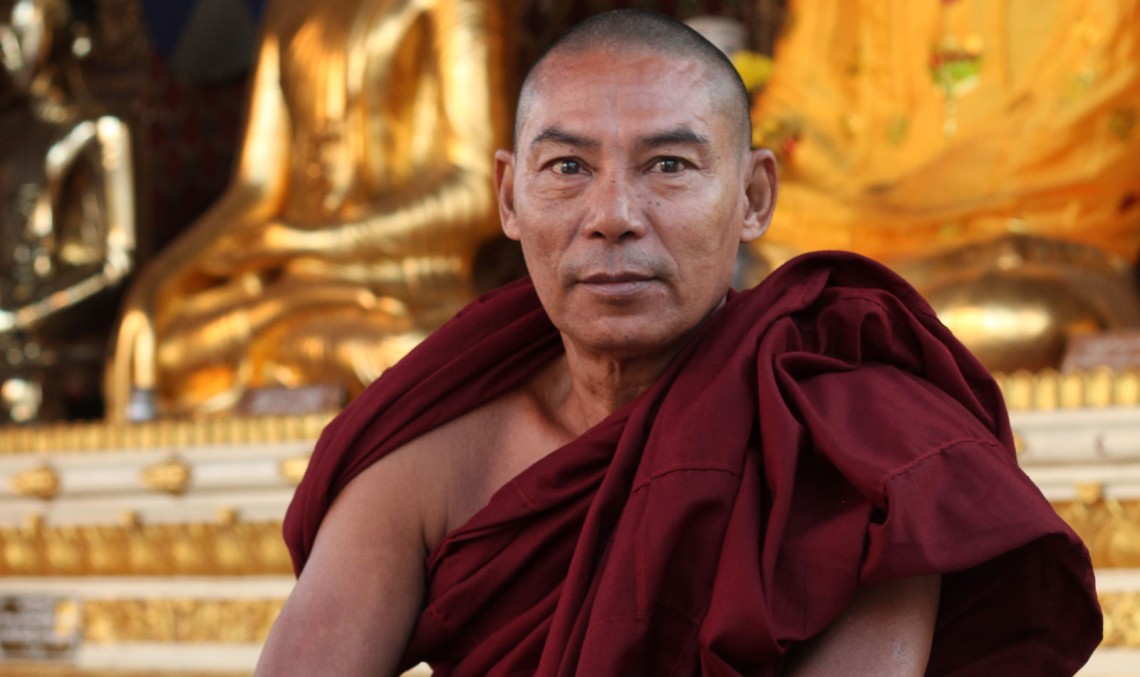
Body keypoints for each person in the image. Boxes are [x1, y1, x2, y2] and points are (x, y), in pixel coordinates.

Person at [261, 10, 1101, 676]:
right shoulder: (433, 460)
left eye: (669, 164)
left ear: (755, 196)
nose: (613, 214)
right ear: (509, 198)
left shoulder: (852, 444)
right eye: (567, 169)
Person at [105, 0, 509, 421]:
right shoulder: (288, 8)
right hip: (295, 294)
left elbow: (478, 187)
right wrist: (155, 285)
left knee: (428, 355)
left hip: (408, 293)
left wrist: (301, 241)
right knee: (166, 349)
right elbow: (256, 188)